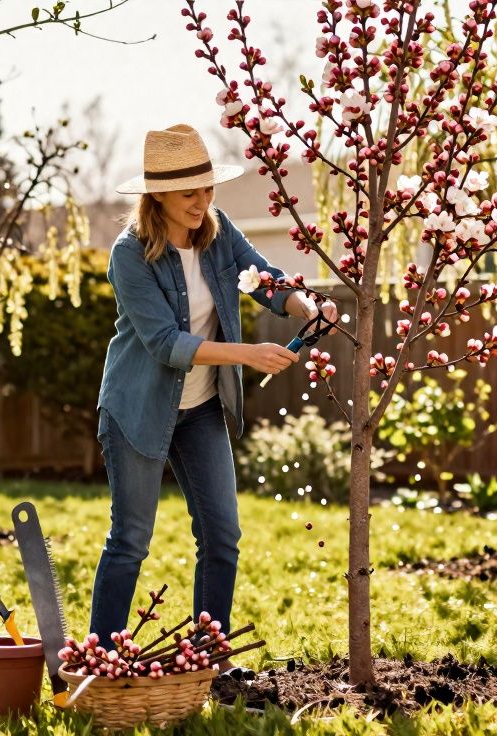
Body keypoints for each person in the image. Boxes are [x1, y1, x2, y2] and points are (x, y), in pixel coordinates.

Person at [89, 123, 337, 644]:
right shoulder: (129, 254)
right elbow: (166, 343)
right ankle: (97, 662)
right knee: (131, 540)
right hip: (137, 410)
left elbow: (263, 276)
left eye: (207, 188)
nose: (203, 201)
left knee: (222, 536)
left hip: (200, 409)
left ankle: (209, 655)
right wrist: (247, 355)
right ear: (158, 196)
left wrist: (305, 306)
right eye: (189, 193)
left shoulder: (219, 232)